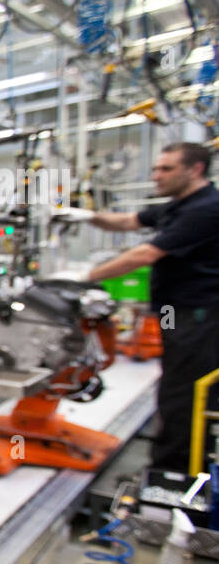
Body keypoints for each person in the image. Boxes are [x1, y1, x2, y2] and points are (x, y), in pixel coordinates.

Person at [61, 141, 219, 471]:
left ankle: (173, 473)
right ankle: (175, 459)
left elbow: (144, 254)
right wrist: (87, 216)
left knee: (183, 391)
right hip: (172, 309)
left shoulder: (205, 208)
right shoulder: (177, 205)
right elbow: (128, 221)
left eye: (166, 169)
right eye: (156, 168)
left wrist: (85, 276)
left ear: (194, 170)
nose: (155, 175)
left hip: (199, 313)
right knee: (172, 373)